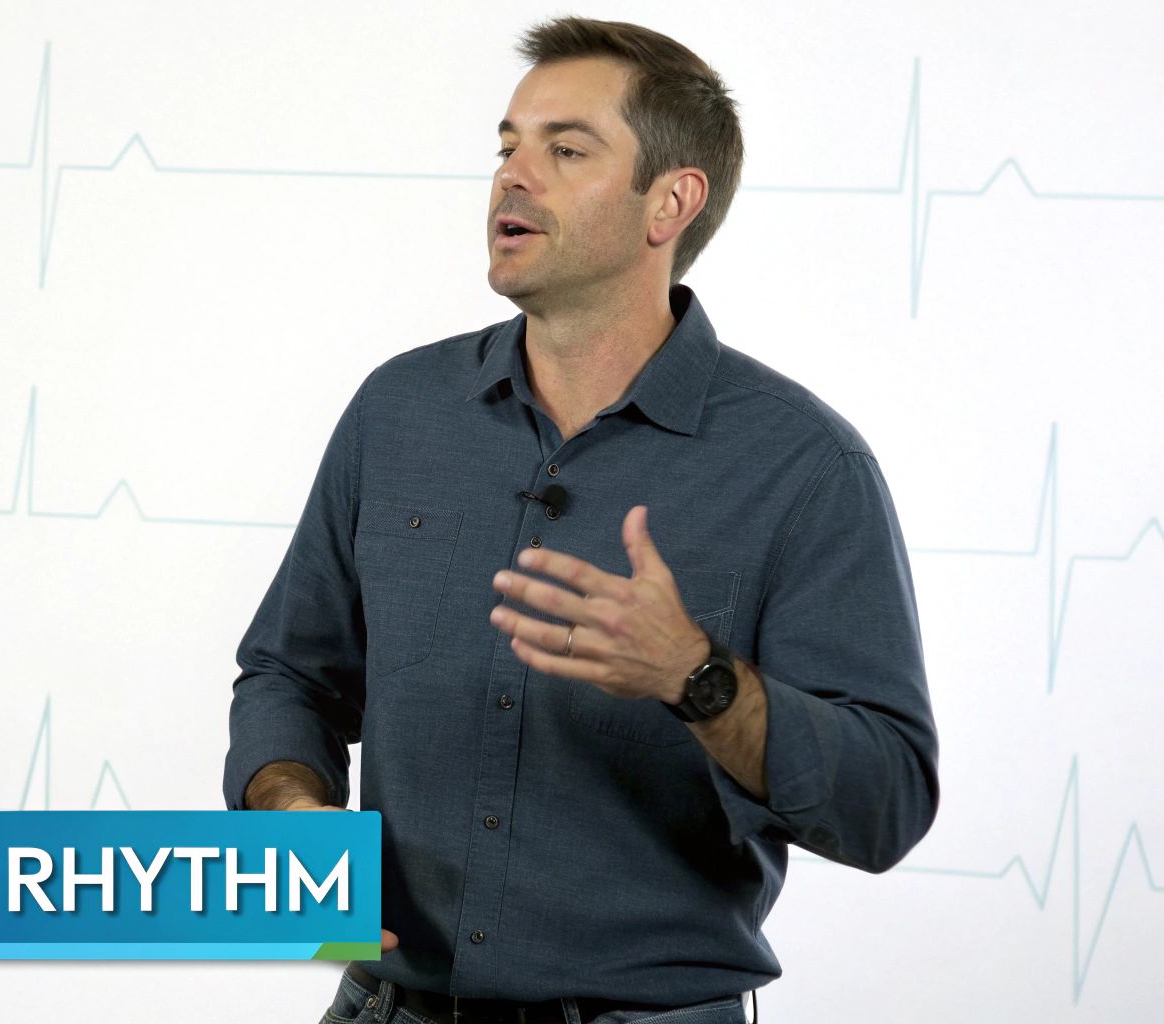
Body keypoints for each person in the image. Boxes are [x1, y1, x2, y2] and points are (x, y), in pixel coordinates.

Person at [222, 16, 939, 1024]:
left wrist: (694, 678)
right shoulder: (396, 412)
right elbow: (291, 673)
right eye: (507, 146)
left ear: (669, 203)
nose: (514, 177)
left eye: (565, 150)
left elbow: (886, 802)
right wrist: (293, 817)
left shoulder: (801, 468)